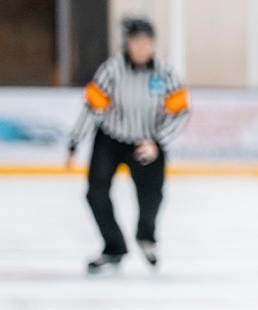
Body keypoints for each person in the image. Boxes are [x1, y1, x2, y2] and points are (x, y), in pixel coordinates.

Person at [64, 17, 189, 274]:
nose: (141, 47)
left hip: (148, 142)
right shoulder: (112, 70)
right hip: (111, 139)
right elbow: (91, 107)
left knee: (151, 196)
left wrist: (158, 141)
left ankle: (146, 237)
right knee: (95, 193)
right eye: (136, 42)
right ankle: (114, 247)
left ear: (153, 44)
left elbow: (181, 112)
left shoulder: (166, 73)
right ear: (127, 44)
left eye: (146, 42)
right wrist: (74, 143)